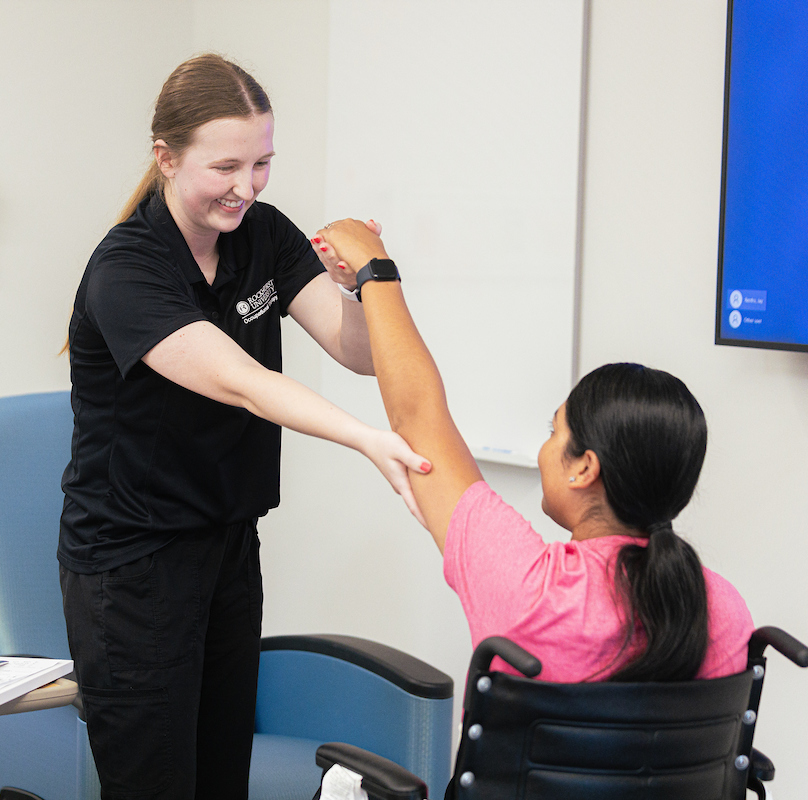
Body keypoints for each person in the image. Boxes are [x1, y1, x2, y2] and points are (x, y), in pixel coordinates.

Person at [57, 55, 428, 800]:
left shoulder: (262, 235)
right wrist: (367, 440)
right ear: (165, 157)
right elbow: (247, 384)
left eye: (261, 164)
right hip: (134, 566)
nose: (246, 186)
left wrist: (372, 282)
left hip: (228, 544)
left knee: (221, 781)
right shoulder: (126, 269)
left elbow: (357, 350)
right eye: (225, 166)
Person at [315, 218, 753, 683]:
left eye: (554, 431)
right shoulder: (722, 610)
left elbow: (418, 416)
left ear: (585, 468)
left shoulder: (529, 584)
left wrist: (375, 269)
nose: (546, 447)